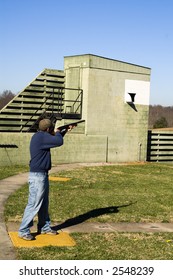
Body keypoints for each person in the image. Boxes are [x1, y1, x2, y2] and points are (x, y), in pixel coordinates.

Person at [18, 118, 73, 240]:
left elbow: (55, 140)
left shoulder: (40, 136)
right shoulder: (41, 137)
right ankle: (23, 230)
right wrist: (59, 131)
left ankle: (44, 226)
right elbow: (58, 141)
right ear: (48, 129)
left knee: (43, 203)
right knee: (34, 203)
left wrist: (65, 131)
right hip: (38, 176)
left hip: (41, 175)